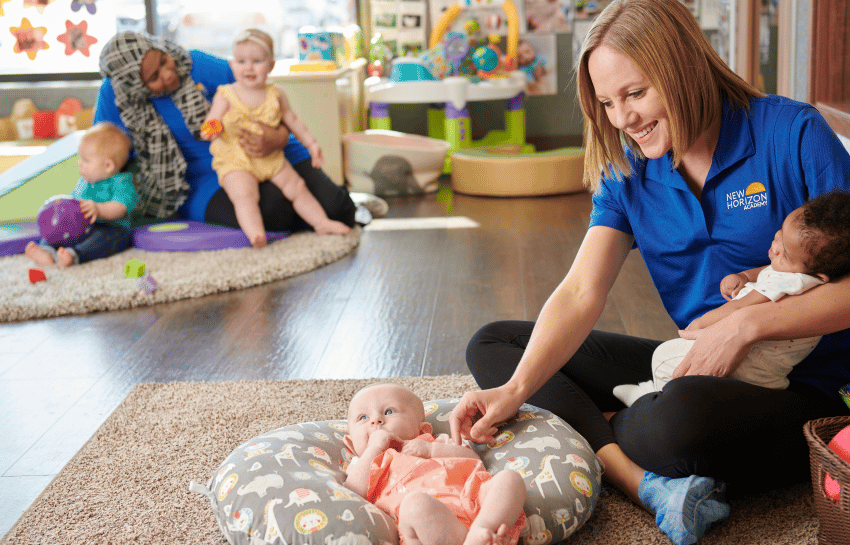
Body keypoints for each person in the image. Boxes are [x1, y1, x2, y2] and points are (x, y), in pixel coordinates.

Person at [448, 1, 850, 544]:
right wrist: (517, 389)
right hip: (694, 365)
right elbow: (581, 291)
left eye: (635, 94)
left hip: (802, 394)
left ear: (684, 68)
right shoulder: (628, 169)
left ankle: (605, 426)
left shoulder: (792, 131)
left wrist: (746, 325)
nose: (623, 119)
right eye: (609, 103)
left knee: (679, 418)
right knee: (496, 346)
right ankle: (639, 479)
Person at [94, 31, 356, 236]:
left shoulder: (195, 64)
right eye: (154, 76)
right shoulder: (115, 97)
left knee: (338, 209)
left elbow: (266, 97)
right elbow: (101, 150)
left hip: (272, 149)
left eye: (164, 60)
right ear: (134, 85)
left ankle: (330, 210)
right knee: (274, 210)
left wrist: (276, 138)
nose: (169, 73)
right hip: (202, 177)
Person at [614, 190, 850, 406]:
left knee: (663, 359)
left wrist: (701, 324)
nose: (775, 246)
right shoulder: (801, 274)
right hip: (768, 374)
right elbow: (771, 271)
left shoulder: (792, 281)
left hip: (749, 363)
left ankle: (647, 397)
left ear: (819, 275)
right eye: (779, 235)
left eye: (785, 253)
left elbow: (740, 307)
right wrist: (745, 275)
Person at [202, 29, 351, 248]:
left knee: (297, 187)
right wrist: (211, 129)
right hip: (235, 159)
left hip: (270, 157)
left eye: (257, 61)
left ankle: (322, 222)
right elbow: (212, 119)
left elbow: (294, 122)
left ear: (271, 65)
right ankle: (256, 234)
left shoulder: (277, 94)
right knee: (244, 194)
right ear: (232, 66)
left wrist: (312, 144)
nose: (249, 67)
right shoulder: (226, 94)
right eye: (242, 61)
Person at [343, 383, 527, 545]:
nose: (376, 420)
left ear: (422, 429)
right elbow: (352, 491)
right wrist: (374, 447)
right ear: (351, 444)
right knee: (415, 504)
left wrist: (431, 450)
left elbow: (474, 461)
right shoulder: (364, 462)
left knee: (510, 479)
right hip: (426, 527)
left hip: (471, 501)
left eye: (389, 411)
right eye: (363, 418)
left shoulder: (433, 442)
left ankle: (482, 530)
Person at [25, 122, 139, 267]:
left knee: (102, 240)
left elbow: (121, 207)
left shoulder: (121, 182)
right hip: (82, 227)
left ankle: (75, 255)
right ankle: (46, 250)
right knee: (57, 230)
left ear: (108, 166)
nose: (80, 164)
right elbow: (74, 201)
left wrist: (98, 210)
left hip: (111, 228)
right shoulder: (84, 182)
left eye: (86, 160)